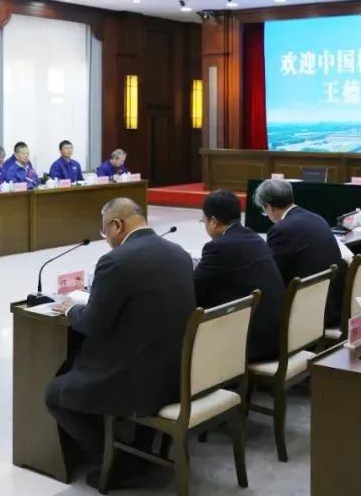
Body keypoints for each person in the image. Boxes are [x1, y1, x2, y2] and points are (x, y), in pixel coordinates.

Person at [45, 199, 194, 483]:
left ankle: (118, 464)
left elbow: (93, 323)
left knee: (56, 393)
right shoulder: (179, 253)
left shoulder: (116, 261)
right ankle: (139, 447)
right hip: (176, 372)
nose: (106, 239)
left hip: (137, 378)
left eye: (104, 232)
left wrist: (72, 309)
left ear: (116, 225)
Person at [194, 190, 284, 362]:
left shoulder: (218, 248)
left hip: (252, 343)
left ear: (213, 221)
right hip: (276, 334)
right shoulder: (254, 237)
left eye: (203, 220)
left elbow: (195, 288)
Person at [256, 178, 346, 328]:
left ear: (269, 207)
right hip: (332, 304)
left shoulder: (281, 230)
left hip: (310, 312)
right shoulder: (316, 218)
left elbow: (273, 276)